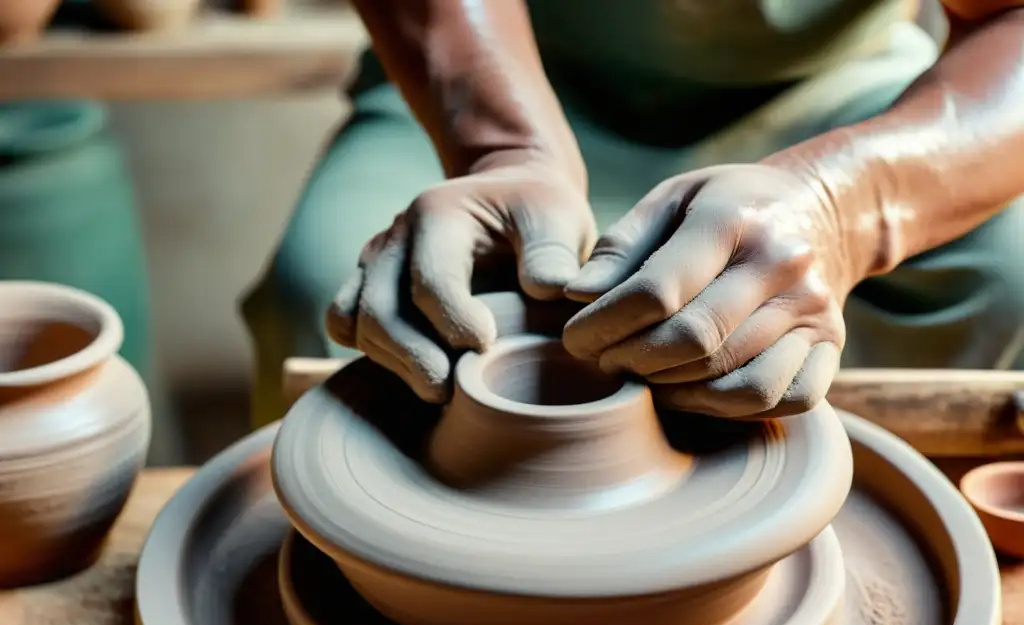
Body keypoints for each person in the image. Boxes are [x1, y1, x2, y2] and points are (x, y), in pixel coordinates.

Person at [241, 0, 1024, 426]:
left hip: (836, 98)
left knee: (1004, 276)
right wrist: (502, 148)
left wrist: (843, 205)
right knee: (333, 284)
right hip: (507, 71)